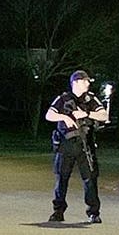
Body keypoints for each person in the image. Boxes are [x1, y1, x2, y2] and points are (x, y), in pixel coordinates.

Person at [45, 70, 109, 223]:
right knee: (62, 178)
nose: (88, 83)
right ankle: (58, 211)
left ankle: (93, 212)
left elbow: (104, 116)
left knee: (90, 179)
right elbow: (49, 115)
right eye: (85, 81)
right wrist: (64, 117)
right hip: (66, 145)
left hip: (85, 144)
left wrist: (86, 114)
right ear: (76, 82)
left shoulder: (91, 99)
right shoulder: (63, 99)